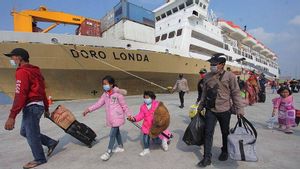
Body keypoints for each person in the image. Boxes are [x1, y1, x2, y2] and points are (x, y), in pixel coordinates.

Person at [3, 48, 59, 169]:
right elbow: (42, 90)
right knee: (25, 132)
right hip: (38, 105)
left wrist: (12, 116)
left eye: (12, 57)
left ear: (19, 58)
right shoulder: (35, 70)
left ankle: (39, 158)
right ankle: (50, 142)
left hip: (32, 106)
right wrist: (46, 107)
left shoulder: (22, 72)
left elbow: (20, 94)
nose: (11, 60)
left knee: (31, 134)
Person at [197, 53, 245, 167]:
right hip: (211, 109)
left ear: (222, 64)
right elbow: (204, 93)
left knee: (225, 132)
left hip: (225, 110)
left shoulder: (230, 76)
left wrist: (239, 109)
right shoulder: (207, 76)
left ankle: (224, 151)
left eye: (215, 63)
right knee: (208, 133)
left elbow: (236, 93)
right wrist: (200, 105)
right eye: (211, 63)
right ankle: (207, 157)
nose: (212, 65)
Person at [82, 75, 131, 161]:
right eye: (103, 84)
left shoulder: (118, 94)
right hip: (111, 118)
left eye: (106, 84)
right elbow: (98, 104)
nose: (104, 85)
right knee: (117, 133)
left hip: (117, 117)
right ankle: (120, 147)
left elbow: (124, 106)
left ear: (111, 84)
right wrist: (88, 109)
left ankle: (108, 152)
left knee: (112, 134)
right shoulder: (105, 95)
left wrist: (129, 115)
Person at [128, 91, 171, 156]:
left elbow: (163, 113)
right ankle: (146, 149)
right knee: (145, 137)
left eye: (147, 97)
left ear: (152, 98)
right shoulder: (143, 107)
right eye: (145, 98)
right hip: (147, 125)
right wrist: (134, 118)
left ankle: (164, 140)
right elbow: (140, 115)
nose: (146, 99)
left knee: (157, 140)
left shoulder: (157, 105)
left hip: (156, 126)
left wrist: (161, 121)